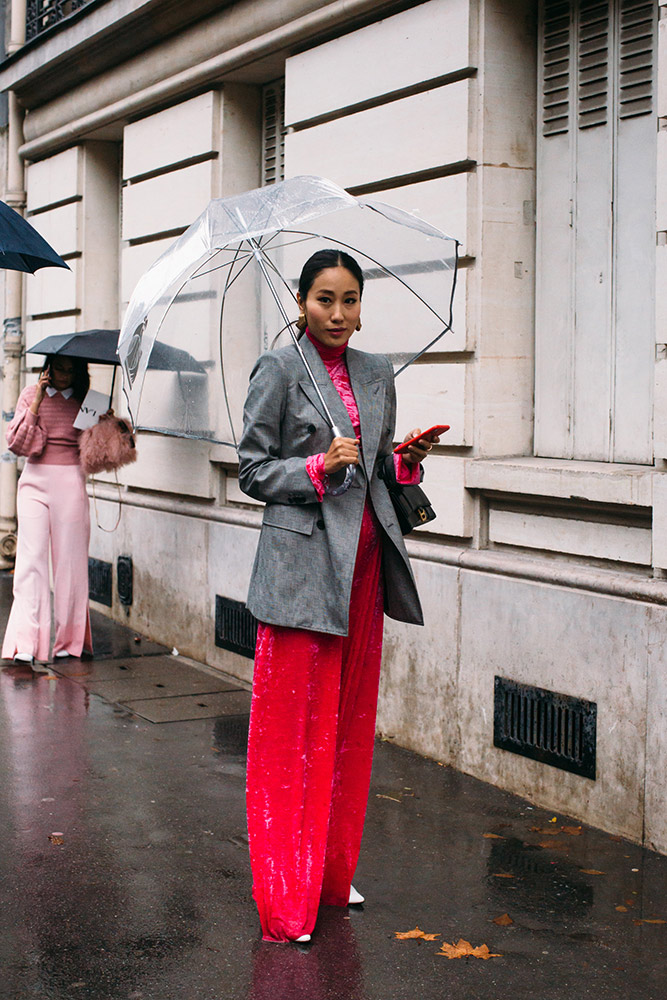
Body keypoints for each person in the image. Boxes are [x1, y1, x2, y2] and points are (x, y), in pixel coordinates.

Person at [238, 249, 440, 943]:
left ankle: (326, 871)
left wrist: (403, 459)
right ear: (302, 302)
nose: (338, 314)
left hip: (362, 566)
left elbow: (377, 464)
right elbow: (252, 468)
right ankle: (284, 893)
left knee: (347, 724)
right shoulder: (278, 368)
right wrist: (314, 468)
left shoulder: (375, 372)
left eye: (349, 300)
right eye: (324, 299)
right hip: (300, 573)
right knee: (290, 732)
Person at [2, 355, 93, 666]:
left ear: (78, 372)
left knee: (70, 564)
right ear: (48, 368)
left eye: (71, 369)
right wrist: (38, 400)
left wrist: (105, 428)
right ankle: (25, 640)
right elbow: (17, 443)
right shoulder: (30, 394)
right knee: (30, 562)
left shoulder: (87, 402)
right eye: (59, 368)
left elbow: (98, 458)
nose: (64, 375)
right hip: (33, 483)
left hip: (70, 483)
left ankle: (69, 640)